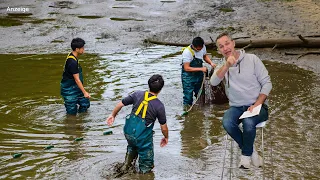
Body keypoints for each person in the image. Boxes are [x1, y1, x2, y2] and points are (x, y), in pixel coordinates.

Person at [210, 32, 272, 169]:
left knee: (248, 122)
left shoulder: (252, 59)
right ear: (219, 50)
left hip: (258, 106)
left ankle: (245, 157)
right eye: (221, 46)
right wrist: (227, 66)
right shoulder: (223, 65)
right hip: (237, 107)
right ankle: (252, 152)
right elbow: (214, 82)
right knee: (227, 122)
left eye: (227, 43)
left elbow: (267, 83)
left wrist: (257, 104)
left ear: (233, 43)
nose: (225, 48)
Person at [106, 74, 169, 174]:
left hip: (129, 132)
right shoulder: (159, 106)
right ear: (160, 89)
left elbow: (120, 104)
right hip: (142, 137)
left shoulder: (137, 94)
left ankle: (125, 166)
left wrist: (112, 115)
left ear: (149, 85)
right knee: (146, 163)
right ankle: (143, 174)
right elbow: (164, 127)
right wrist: (166, 137)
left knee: (132, 146)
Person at [181, 37, 216, 109]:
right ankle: (187, 110)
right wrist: (201, 69)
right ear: (193, 46)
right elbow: (186, 68)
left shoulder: (203, 47)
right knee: (188, 96)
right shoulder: (187, 52)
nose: (200, 50)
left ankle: (200, 109)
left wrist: (211, 63)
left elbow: (204, 56)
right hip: (188, 76)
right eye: (198, 49)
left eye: (201, 48)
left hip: (199, 75)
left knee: (200, 94)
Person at [60, 38, 90, 115]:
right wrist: (85, 92)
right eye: (82, 48)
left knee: (85, 104)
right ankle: (72, 123)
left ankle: (81, 121)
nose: (84, 49)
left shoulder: (72, 56)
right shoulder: (72, 62)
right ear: (77, 49)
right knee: (71, 111)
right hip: (69, 89)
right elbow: (77, 80)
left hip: (75, 87)